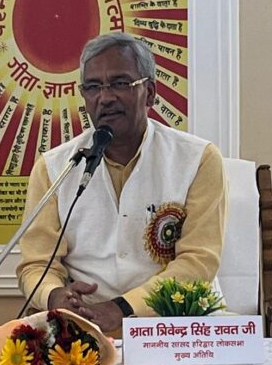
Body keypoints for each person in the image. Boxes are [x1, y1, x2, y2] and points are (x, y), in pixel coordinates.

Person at [17, 32, 228, 333]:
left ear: (150, 93)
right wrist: (54, 295)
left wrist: (124, 308)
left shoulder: (198, 159)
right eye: (93, 87)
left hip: (176, 325)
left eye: (120, 83)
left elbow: (198, 261)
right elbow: (37, 265)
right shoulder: (55, 167)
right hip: (85, 326)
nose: (105, 98)